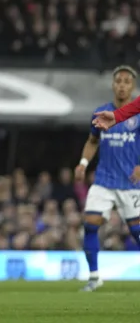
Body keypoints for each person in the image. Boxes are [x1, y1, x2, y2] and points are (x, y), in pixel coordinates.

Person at [77, 65, 140, 292]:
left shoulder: (138, 113)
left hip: (131, 184)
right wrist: (83, 163)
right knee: (90, 224)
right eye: (119, 81)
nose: (122, 85)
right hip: (104, 181)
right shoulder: (101, 112)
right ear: (113, 85)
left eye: (127, 81)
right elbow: (92, 141)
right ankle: (94, 277)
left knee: (137, 232)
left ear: (133, 87)